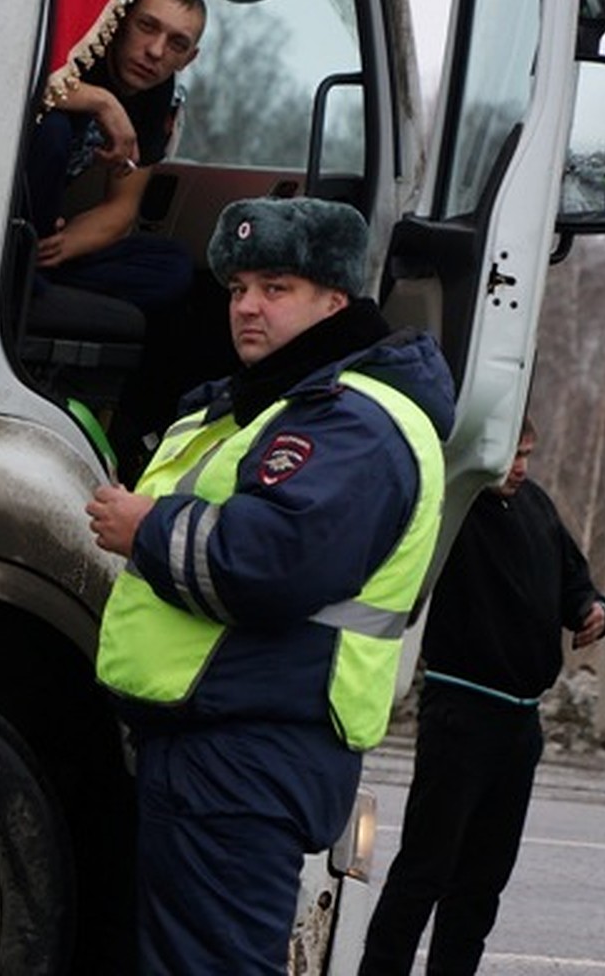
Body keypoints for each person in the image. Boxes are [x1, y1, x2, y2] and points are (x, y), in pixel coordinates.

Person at [86, 195, 455, 975]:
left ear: (336, 298)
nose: (248, 307)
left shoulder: (354, 418)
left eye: (276, 287)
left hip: (251, 750)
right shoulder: (266, 405)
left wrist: (144, 527)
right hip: (215, 741)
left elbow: (272, 562)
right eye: (237, 287)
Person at [358, 419, 605, 976]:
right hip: (459, 713)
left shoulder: (537, 506)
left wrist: (593, 609)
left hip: (521, 725)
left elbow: (575, 583)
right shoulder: (450, 508)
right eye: (512, 455)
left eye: (527, 456)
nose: (520, 468)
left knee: (482, 884)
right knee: (425, 871)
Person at [25, 0, 205, 315]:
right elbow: (18, 74)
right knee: (54, 127)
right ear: (120, 18)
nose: (155, 51)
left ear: (189, 58)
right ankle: (23, 271)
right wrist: (102, 101)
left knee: (173, 266)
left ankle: (31, 271)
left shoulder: (158, 95)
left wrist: (62, 246)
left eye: (176, 44)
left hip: (43, 234)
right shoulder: (80, 45)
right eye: (147, 26)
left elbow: (121, 207)